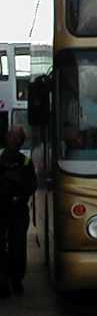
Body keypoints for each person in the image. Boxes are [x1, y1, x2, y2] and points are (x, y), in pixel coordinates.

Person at [0, 126, 36, 297]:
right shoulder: (0, 158)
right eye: (11, 135)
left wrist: (20, 196)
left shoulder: (25, 161)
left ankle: (16, 279)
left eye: (16, 137)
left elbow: (32, 185)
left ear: (20, 141)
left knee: (18, 246)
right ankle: (3, 282)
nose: (12, 139)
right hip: (1, 209)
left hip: (18, 210)